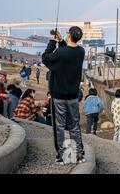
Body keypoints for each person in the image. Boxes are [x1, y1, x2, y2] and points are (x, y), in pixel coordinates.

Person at [42, 27, 86, 164]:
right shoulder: (80, 51)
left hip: (58, 96)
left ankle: (62, 156)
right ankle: (79, 155)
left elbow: (46, 58)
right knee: (74, 126)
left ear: (69, 35)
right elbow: (67, 53)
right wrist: (60, 41)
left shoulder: (61, 52)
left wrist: (52, 42)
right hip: (73, 96)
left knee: (59, 127)